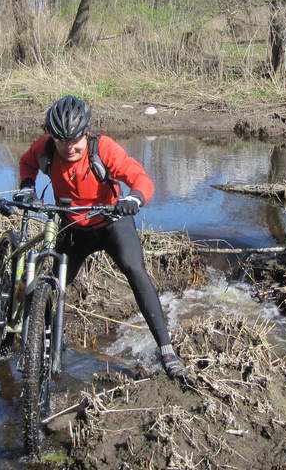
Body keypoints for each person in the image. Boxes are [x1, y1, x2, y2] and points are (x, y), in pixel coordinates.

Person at [16, 95, 187, 382]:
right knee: (55, 285)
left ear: (86, 133)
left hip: (111, 223)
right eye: (62, 141)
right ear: (52, 137)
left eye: (75, 140)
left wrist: (133, 197)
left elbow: (141, 178)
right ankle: (38, 344)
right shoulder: (45, 148)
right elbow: (26, 163)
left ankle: (167, 351)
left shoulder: (103, 148)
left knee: (136, 272)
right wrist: (25, 187)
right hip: (73, 227)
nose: (69, 148)